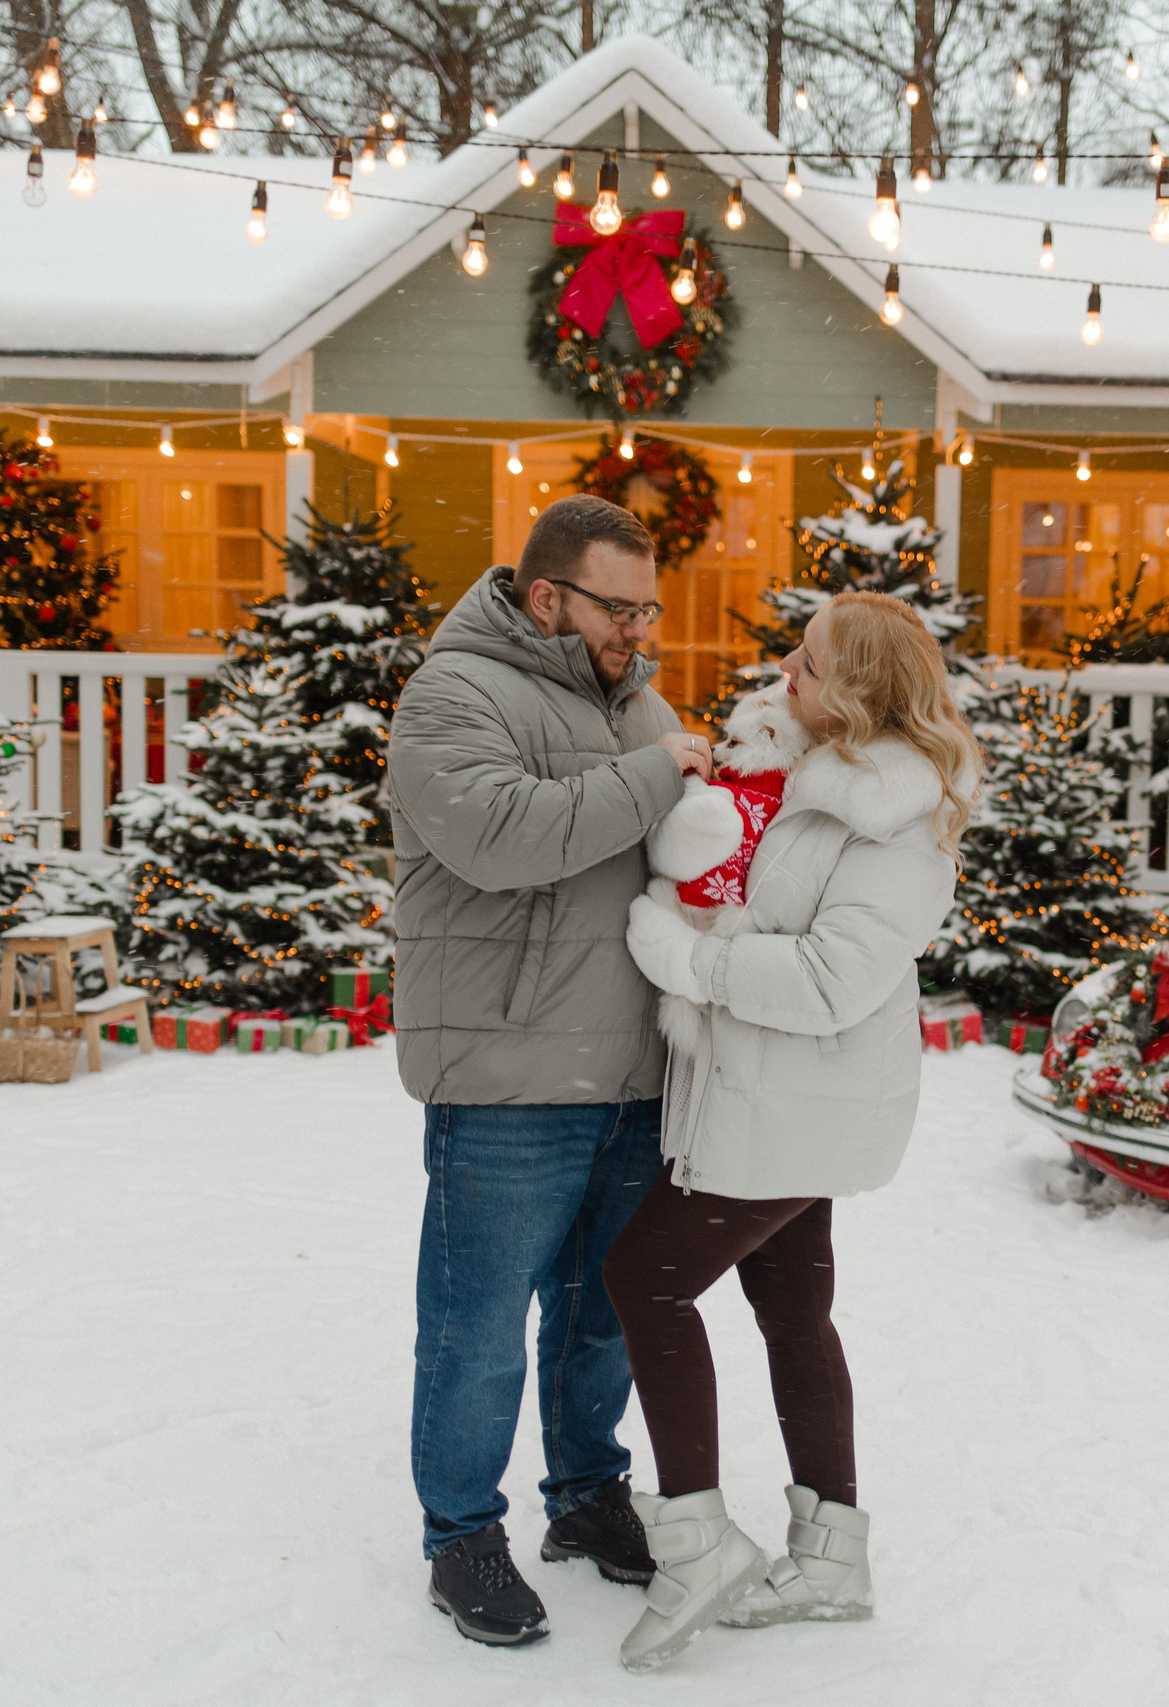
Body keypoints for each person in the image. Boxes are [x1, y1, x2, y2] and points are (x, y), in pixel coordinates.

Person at [607, 590, 979, 1672]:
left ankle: (696, 1544)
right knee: (792, 1308)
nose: (785, 674)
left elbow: (828, 981)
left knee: (645, 1279)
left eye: (806, 663)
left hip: (793, 1102)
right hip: (776, 1093)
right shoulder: (819, 780)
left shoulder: (897, 822)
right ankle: (829, 1556)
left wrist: (691, 960)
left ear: (854, 689)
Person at [384, 495, 715, 1648]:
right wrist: (659, 773)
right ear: (544, 597)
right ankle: (462, 1535)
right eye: (618, 608)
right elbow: (499, 836)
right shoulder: (454, 693)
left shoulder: (641, 707)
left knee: (601, 1316)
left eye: (648, 609)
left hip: (632, 1072)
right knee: (475, 1328)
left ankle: (585, 1495)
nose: (640, 630)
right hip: (508, 1069)